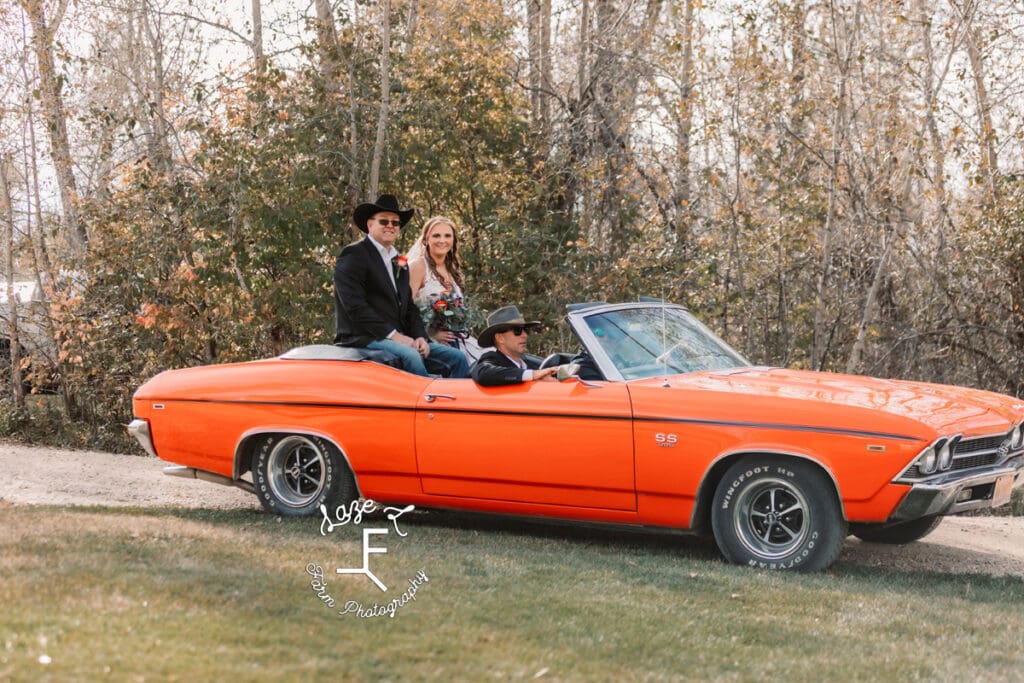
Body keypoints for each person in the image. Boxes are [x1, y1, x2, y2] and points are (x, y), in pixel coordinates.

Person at [333, 194, 469, 379]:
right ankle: (423, 403)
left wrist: (420, 336)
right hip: (365, 337)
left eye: (395, 223)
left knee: (457, 358)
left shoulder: (399, 262)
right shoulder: (354, 255)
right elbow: (355, 307)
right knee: (411, 356)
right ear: (370, 224)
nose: (390, 226)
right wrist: (394, 335)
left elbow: (409, 307)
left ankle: (455, 406)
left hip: (400, 337)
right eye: (384, 221)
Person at [408, 216, 484, 362]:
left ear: (453, 240)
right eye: (436, 235)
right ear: (426, 239)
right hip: (430, 341)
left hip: (459, 338)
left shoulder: (452, 269)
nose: (442, 240)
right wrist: (431, 333)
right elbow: (404, 308)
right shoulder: (418, 267)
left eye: (447, 236)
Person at [470, 306, 562, 386]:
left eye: (526, 330)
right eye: (517, 330)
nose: (525, 335)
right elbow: (483, 374)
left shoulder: (531, 364)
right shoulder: (491, 359)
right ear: (500, 338)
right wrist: (533, 375)